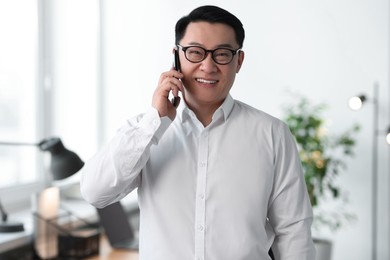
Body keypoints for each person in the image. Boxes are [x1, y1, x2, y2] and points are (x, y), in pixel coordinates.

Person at [81, 5, 316, 260]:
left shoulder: (273, 133)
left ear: (239, 61)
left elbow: (294, 232)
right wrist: (155, 121)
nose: (208, 65)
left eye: (222, 54)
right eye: (195, 52)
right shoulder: (144, 130)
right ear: (176, 57)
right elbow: (95, 192)